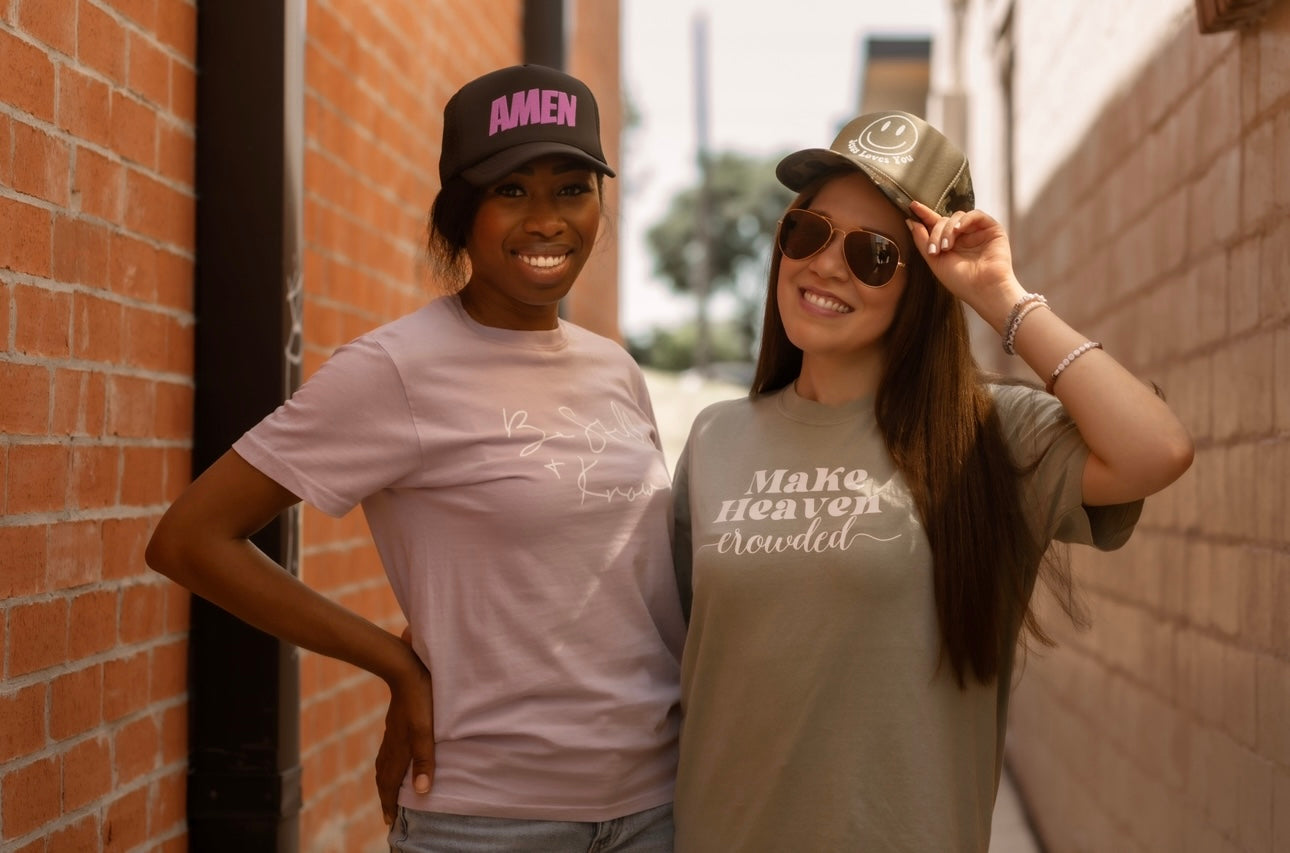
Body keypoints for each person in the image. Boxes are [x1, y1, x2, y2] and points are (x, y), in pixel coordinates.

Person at [146, 64, 685, 852]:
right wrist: (396, 663)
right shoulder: (396, 368)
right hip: (488, 819)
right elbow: (190, 539)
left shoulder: (615, 369)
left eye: (572, 189)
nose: (547, 220)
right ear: (461, 212)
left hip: (655, 804)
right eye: (512, 191)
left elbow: (596, 576)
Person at [668, 110, 1194, 852]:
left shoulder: (987, 434)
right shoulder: (717, 437)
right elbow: (685, 662)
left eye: (873, 254)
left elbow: (1158, 449)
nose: (824, 265)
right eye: (807, 232)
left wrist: (1001, 298)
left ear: (921, 287)